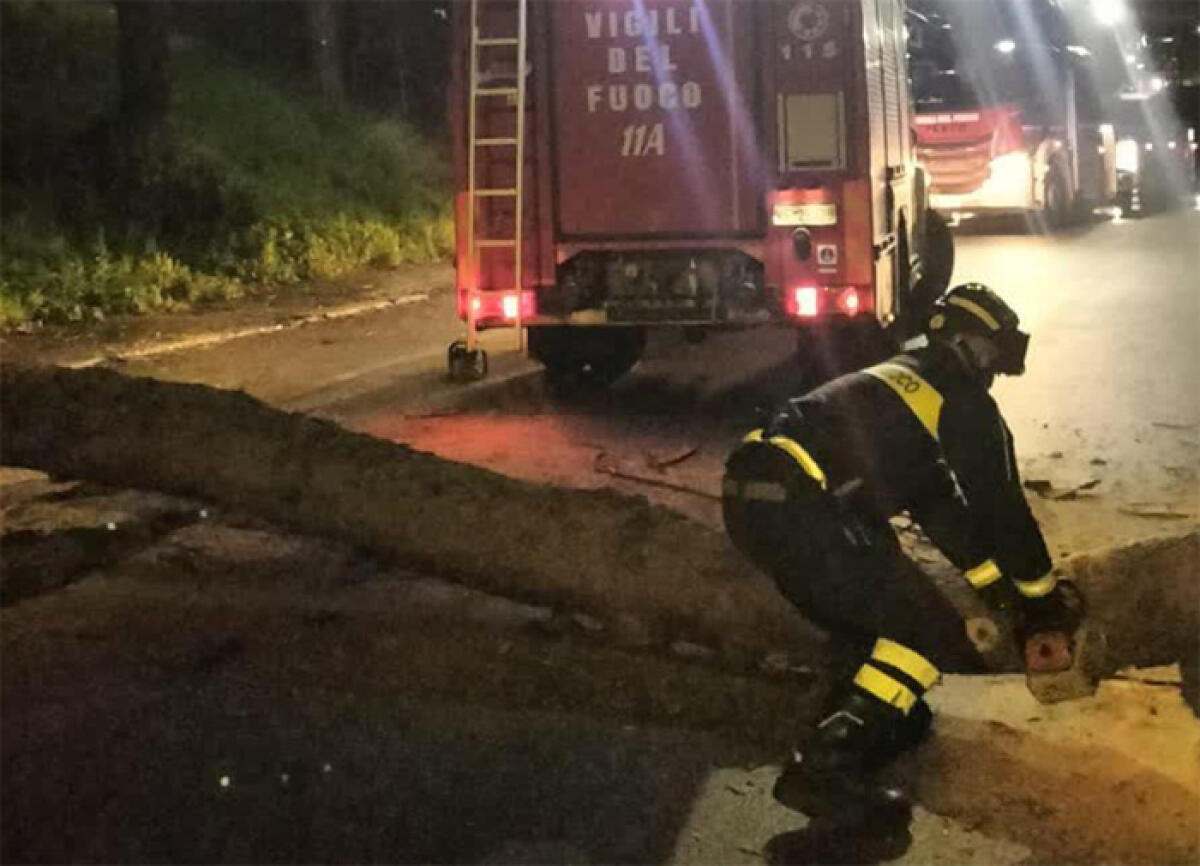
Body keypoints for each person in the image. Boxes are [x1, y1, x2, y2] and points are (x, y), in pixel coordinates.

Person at [722, 283, 1082, 823]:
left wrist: (996, 590)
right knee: (924, 632)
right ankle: (825, 764)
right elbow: (1002, 508)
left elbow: (943, 513)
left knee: (865, 612)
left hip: (751, 498)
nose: (990, 370)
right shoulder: (959, 400)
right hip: (805, 505)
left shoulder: (896, 383)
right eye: (986, 352)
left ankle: (871, 717)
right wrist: (1043, 600)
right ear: (960, 342)